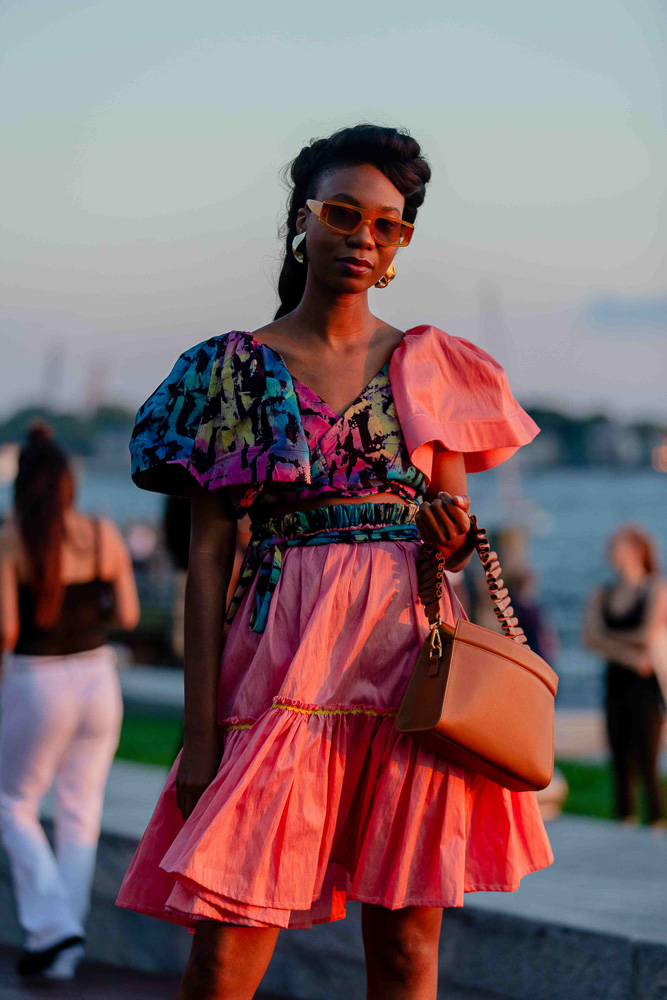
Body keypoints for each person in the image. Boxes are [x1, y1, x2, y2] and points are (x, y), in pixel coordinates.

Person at [115, 123, 554, 1000]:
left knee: (405, 954)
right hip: (279, 669)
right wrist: (198, 737)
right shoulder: (236, 370)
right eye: (344, 214)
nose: (364, 238)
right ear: (301, 222)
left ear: (400, 245)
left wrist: (453, 538)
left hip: (409, 676)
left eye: (388, 225)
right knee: (226, 952)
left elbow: (457, 531)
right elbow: (208, 562)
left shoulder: (431, 363)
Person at [0, 423, 140, 979]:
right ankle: (66, 952)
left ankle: (53, 929)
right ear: (66, 485)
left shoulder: (10, 540)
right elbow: (128, 616)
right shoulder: (103, 532)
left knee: (12, 804)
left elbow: (6, 631)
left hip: (38, 681)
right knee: (81, 813)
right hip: (98, 681)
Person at [584, 523, 666, 827]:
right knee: (619, 761)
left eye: (617, 545)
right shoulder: (602, 592)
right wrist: (631, 658)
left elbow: (646, 635)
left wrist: (607, 639)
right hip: (616, 681)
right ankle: (624, 826)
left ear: (636, 550)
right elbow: (589, 637)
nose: (611, 551)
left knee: (647, 761)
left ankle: (656, 827)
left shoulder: (655, 588)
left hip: (647, 686)